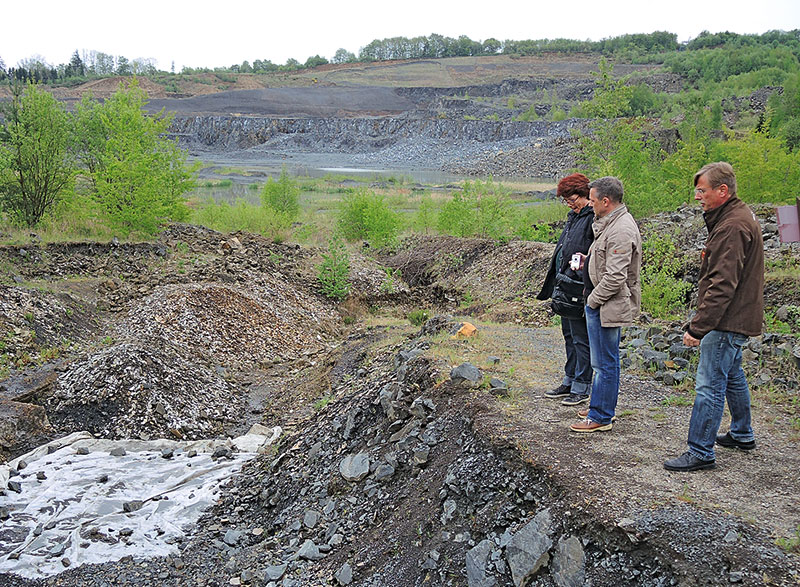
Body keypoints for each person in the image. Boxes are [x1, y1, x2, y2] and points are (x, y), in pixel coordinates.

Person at [664, 162, 764, 472]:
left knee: (709, 385)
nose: (697, 197)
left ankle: (700, 451)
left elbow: (722, 285)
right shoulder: (734, 217)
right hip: (735, 318)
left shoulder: (732, 226)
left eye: (702, 190)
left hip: (725, 322)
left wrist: (699, 327)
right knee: (732, 375)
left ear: (723, 191)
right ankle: (742, 433)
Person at [570, 176, 641, 433]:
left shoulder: (621, 229)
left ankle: (601, 416)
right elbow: (606, 261)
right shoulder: (610, 224)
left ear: (605, 201)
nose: (589, 205)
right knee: (602, 361)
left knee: (604, 363)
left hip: (606, 306)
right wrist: (588, 260)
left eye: (592, 200)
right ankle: (598, 405)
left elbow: (616, 277)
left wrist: (592, 301)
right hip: (601, 304)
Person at [537, 173, 595, 406]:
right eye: (566, 200)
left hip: (580, 286)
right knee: (569, 336)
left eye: (572, 199)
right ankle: (569, 380)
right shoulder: (575, 216)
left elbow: (595, 252)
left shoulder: (593, 218)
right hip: (565, 283)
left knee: (581, 339)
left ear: (584, 194)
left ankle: (582, 386)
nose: (569, 204)